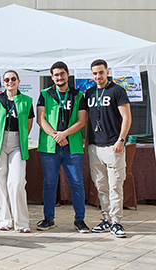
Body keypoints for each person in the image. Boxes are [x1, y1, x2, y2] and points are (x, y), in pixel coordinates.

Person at [36, 61, 90, 233]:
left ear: (67, 74)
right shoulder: (45, 94)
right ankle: (48, 219)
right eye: (56, 75)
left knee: (77, 184)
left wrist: (63, 134)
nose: (59, 77)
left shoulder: (78, 94)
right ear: (52, 77)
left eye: (62, 74)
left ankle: (79, 220)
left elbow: (82, 120)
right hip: (49, 146)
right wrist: (55, 135)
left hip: (72, 146)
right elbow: (40, 119)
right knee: (49, 184)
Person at [86, 59, 132, 238]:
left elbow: (127, 117)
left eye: (101, 72)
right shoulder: (89, 93)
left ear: (107, 72)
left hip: (114, 146)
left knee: (115, 186)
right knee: (101, 187)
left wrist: (121, 140)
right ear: (92, 75)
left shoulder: (117, 90)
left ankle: (116, 221)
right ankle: (106, 219)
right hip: (94, 147)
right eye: (95, 73)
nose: (98, 76)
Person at [0, 70, 34, 233]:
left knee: (16, 183)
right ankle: (4, 220)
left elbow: (29, 124)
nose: (10, 82)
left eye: (13, 79)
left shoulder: (26, 100)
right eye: (6, 79)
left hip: (17, 143)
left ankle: (22, 222)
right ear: (3, 82)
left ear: (18, 81)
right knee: (0, 183)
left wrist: (19, 137)